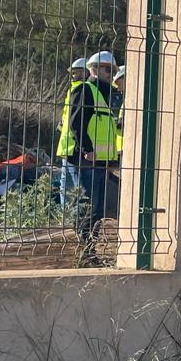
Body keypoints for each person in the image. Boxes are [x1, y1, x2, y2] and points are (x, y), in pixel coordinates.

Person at [66, 51, 121, 260]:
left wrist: (110, 160)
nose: (111, 74)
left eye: (113, 71)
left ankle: (88, 250)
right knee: (89, 205)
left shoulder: (105, 96)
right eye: (108, 69)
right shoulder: (85, 90)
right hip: (86, 159)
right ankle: (83, 249)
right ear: (94, 69)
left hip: (100, 162)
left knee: (96, 209)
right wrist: (86, 149)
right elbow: (76, 122)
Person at [55, 57, 90, 203]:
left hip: (74, 145)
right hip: (68, 145)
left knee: (72, 184)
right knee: (67, 183)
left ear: (86, 72)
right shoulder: (75, 89)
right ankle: (67, 217)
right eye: (73, 73)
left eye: (77, 72)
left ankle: (72, 216)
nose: (74, 75)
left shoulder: (82, 90)